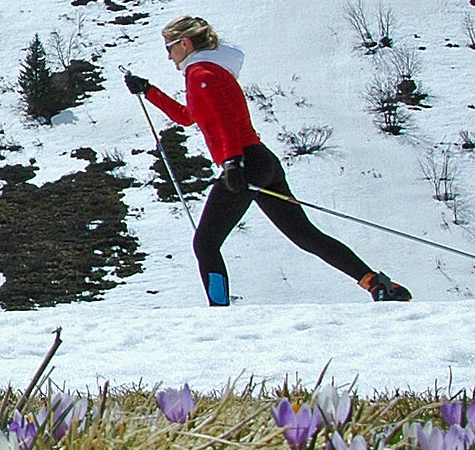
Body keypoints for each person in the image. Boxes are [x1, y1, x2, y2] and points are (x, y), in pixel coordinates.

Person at [123, 16, 410, 306]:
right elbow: (186, 117)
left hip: (244, 162)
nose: (168, 56)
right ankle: (376, 284)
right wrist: (148, 90)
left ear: (185, 43)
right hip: (261, 161)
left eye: (169, 48)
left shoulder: (200, 74)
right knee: (305, 235)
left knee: (206, 243)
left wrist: (232, 162)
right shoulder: (210, 71)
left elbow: (225, 122)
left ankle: (219, 312)